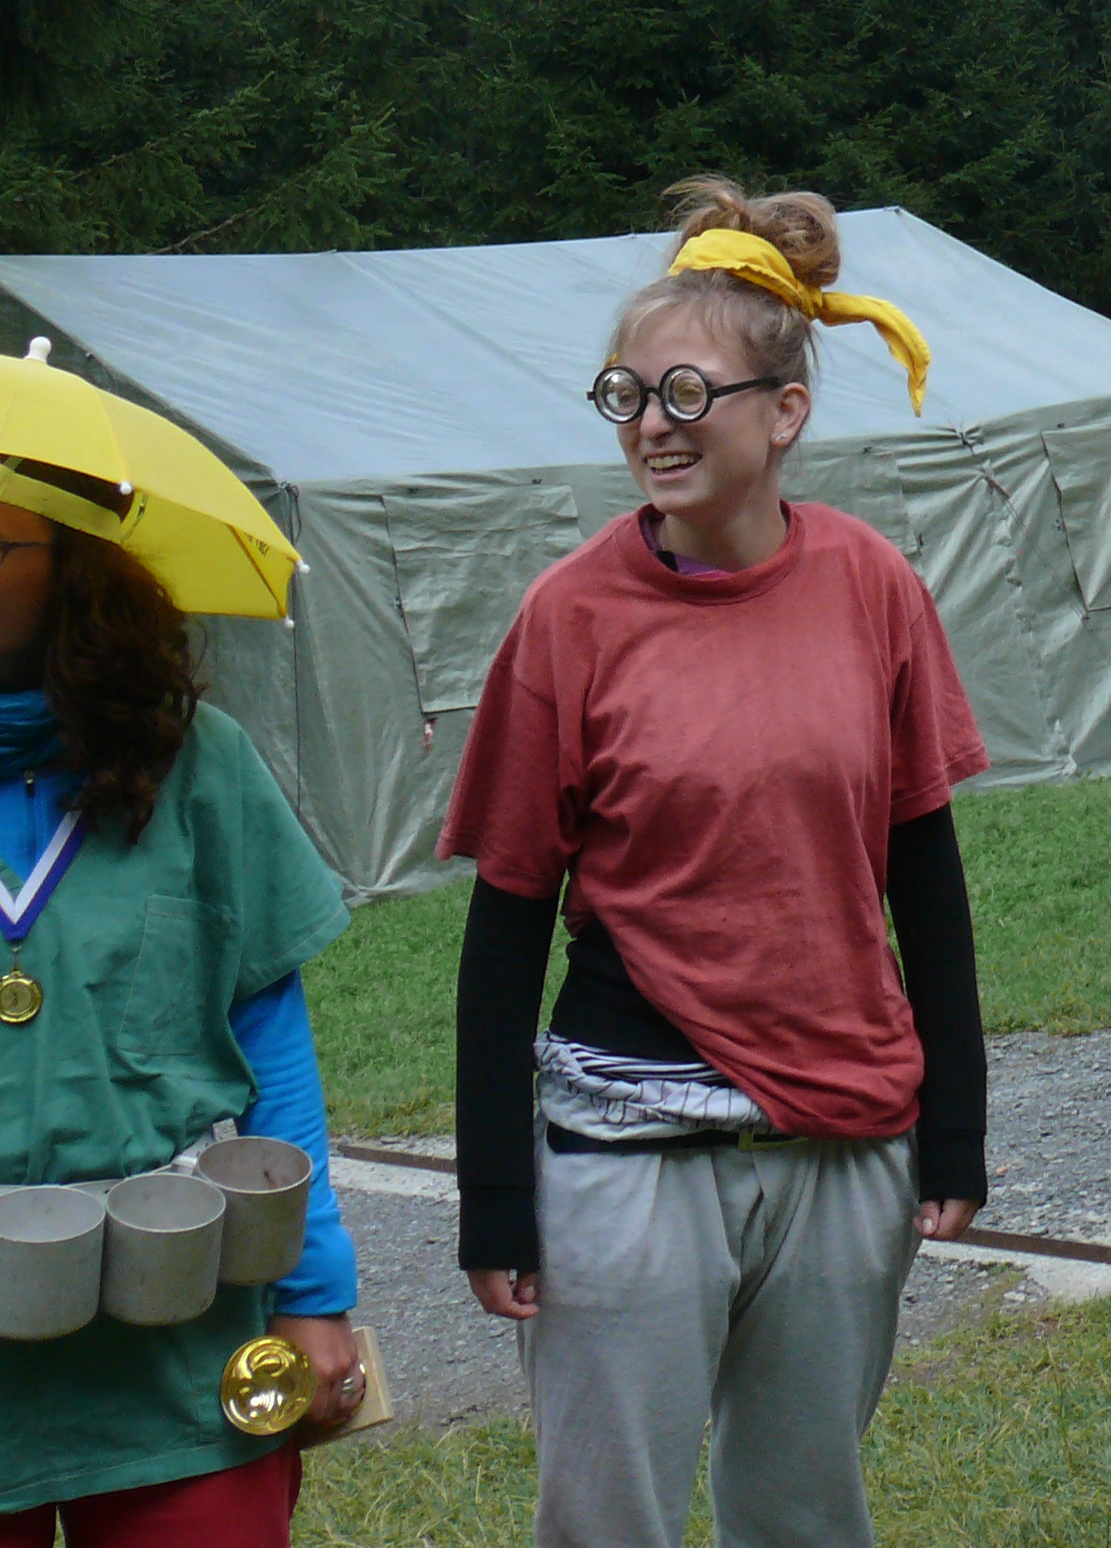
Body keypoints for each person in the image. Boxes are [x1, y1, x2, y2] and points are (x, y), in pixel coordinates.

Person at [442, 177, 989, 1548]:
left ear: (784, 411)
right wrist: (494, 1195)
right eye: (627, 396)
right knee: (607, 1521)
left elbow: (924, 873)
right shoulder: (567, 617)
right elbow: (507, 919)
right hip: (624, 1146)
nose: (652, 425)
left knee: (805, 1516)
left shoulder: (873, 586)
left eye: (685, 394)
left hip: (844, 1143)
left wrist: (958, 1125)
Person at [1, 505, 368, 1542]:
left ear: (74, 563)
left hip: (173, 1343)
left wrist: (314, 1290)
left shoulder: (198, 764)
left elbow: (272, 1046)